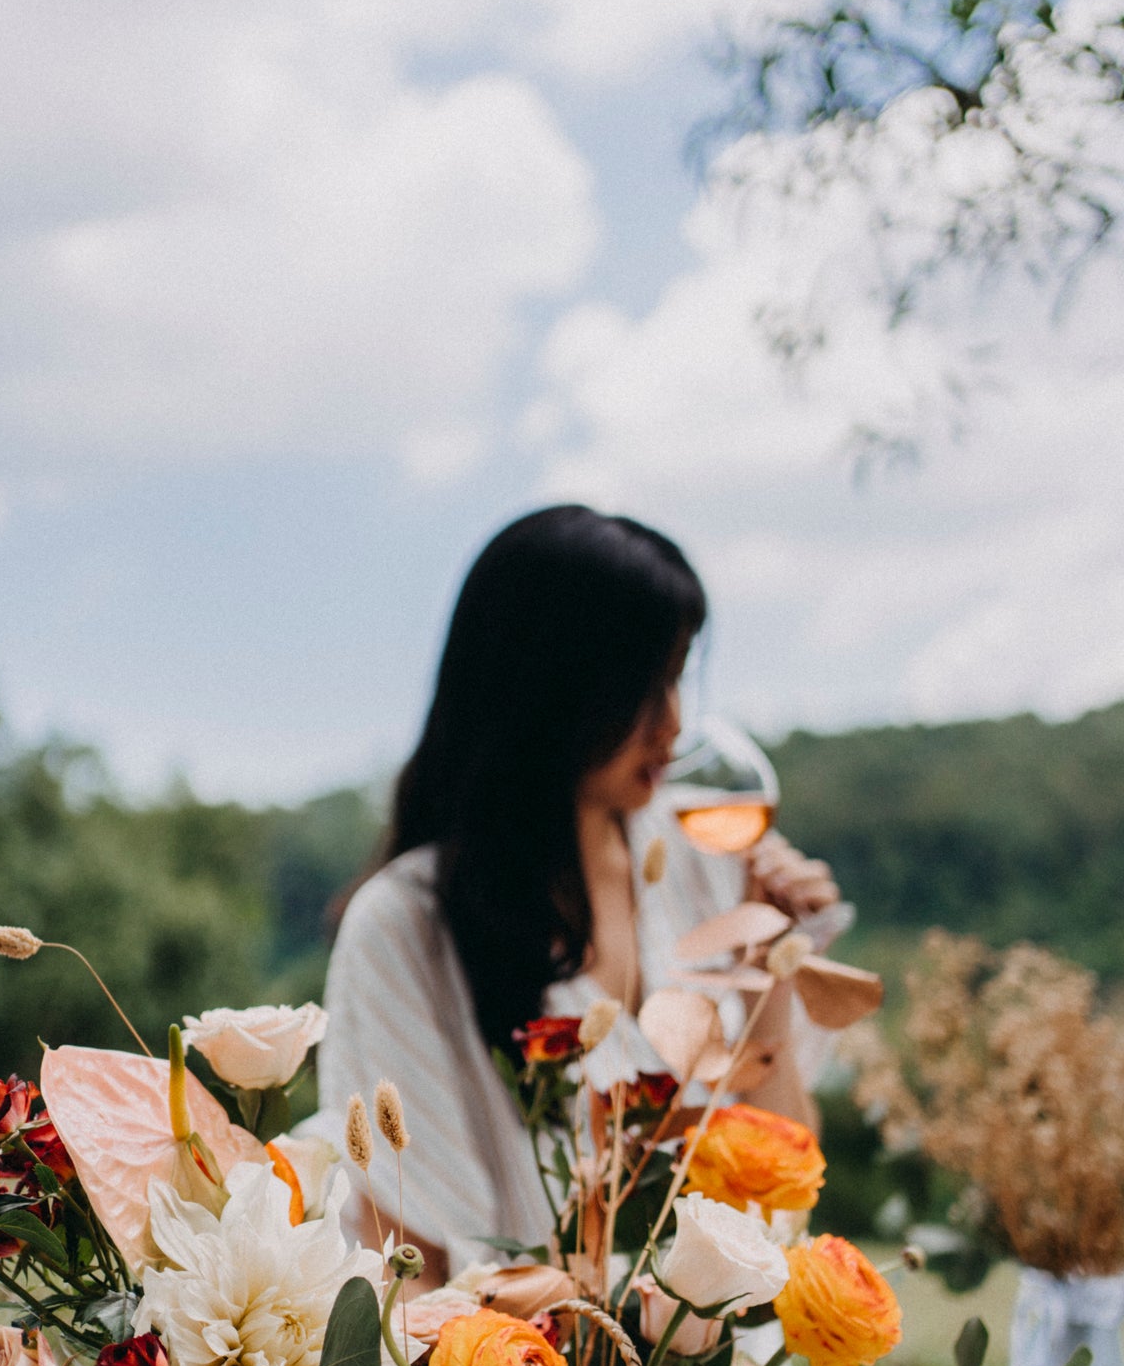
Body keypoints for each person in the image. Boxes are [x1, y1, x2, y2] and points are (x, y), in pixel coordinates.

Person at [315, 505, 842, 1279]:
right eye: (643, 688)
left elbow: (783, 1186)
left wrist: (770, 962)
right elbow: (412, 1256)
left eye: (677, 679)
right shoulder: (406, 928)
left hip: (722, 1359)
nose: (672, 724)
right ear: (549, 691)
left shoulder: (702, 857)